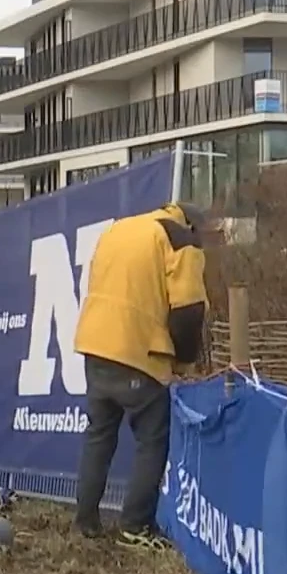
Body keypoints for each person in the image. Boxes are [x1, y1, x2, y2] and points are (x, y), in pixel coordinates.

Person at [71, 201, 211, 549]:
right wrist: (184, 364)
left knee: (99, 435)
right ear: (192, 226)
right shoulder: (180, 239)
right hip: (137, 351)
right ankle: (135, 525)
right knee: (153, 439)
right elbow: (188, 312)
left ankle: (85, 519)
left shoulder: (119, 229)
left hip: (94, 344)